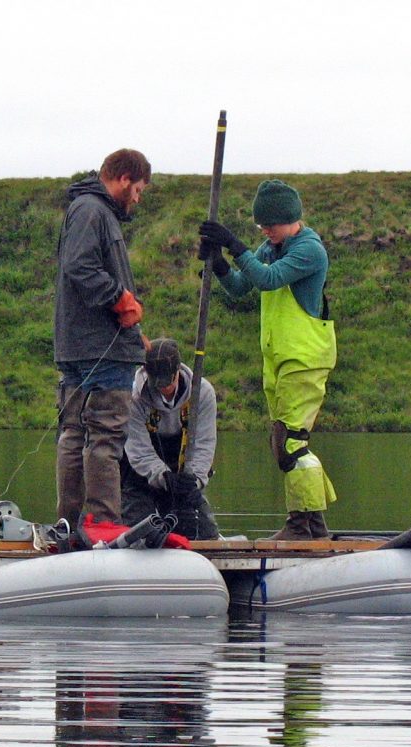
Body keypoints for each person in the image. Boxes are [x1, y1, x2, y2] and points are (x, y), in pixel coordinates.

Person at [198, 180, 336, 541]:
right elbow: (244, 286)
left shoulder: (310, 251)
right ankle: (314, 524)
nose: (265, 231)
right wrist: (219, 265)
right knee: (282, 442)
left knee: (292, 442)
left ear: (291, 219)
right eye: (261, 226)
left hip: (305, 357)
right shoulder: (271, 246)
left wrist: (233, 244)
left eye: (270, 225)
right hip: (279, 357)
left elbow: (269, 280)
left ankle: (301, 526)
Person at [53, 148, 151, 528]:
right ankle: (103, 525)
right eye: (139, 189)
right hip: (100, 350)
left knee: (75, 435)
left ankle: (72, 524)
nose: (138, 199)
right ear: (124, 179)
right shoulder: (94, 211)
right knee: (104, 438)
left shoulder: (86, 210)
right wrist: (119, 299)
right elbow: (81, 265)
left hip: (83, 344)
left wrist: (134, 332)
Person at [120, 338, 221, 540]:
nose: (163, 388)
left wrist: (194, 482)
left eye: (168, 381)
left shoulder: (203, 393)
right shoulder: (133, 397)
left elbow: (204, 444)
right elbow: (138, 449)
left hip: (183, 472)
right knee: (140, 534)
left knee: (205, 533)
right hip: (140, 472)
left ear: (178, 370)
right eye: (157, 381)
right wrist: (163, 477)